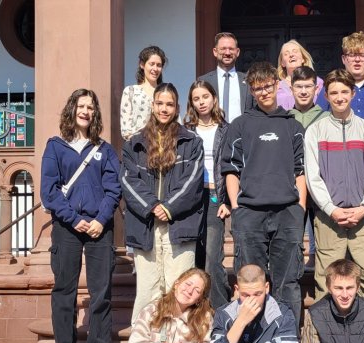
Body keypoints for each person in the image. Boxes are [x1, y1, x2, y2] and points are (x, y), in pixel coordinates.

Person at [220, 61, 307, 324]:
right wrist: (237, 207)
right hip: (250, 214)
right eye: (257, 88)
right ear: (252, 91)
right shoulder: (240, 125)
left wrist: (299, 208)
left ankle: (288, 337)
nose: (263, 92)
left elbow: (300, 170)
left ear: (277, 84)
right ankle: (251, 335)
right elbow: (231, 169)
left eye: (267, 86)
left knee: (287, 280)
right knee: (249, 279)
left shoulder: (293, 126)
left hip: (287, 212)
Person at [40, 89, 121, 343]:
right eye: (81, 106)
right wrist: (73, 218)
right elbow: (49, 191)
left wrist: (101, 219)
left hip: (100, 227)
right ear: (72, 109)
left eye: (90, 107)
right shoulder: (55, 146)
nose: (85, 111)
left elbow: (113, 189)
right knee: (65, 288)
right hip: (67, 226)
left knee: (101, 289)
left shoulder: (105, 149)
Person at [121, 83, 205, 324]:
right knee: (148, 289)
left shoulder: (191, 142)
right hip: (145, 225)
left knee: (179, 288)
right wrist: (152, 207)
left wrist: (168, 207)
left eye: (169, 104)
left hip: (180, 225)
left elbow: (193, 181)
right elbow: (128, 180)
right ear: (153, 105)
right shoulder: (134, 144)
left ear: (176, 107)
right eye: (160, 103)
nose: (164, 109)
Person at [304, 68, 364, 308]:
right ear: (326, 96)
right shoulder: (315, 131)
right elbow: (313, 177)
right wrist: (331, 209)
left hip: (363, 218)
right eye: (333, 92)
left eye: (344, 91)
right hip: (329, 219)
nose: (339, 97)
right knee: (326, 281)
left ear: (352, 93)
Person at [184, 80, 231, 310]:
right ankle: (193, 311)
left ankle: (218, 312)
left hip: (215, 196)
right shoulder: (186, 130)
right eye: (196, 98)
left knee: (213, 258)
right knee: (193, 257)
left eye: (205, 97)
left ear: (213, 98)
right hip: (190, 199)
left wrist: (228, 200)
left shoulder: (227, 129)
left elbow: (234, 167)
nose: (201, 102)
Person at [287, 65, 328, 272]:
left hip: (321, 181)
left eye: (308, 86)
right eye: (299, 86)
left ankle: (315, 258)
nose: (303, 91)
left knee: (320, 229)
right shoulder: (284, 118)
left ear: (316, 89)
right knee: (293, 228)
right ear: (291, 88)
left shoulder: (326, 118)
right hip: (291, 183)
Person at [316, 31, 364, 129]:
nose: (357, 59)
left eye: (362, 55)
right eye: (352, 55)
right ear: (344, 59)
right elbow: (318, 122)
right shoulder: (331, 87)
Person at [199, 32, 253, 122]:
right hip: (213, 133)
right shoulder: (204, 81)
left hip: (242, 134)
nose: (227, 53)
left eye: (231, 49)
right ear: (215, 52)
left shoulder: (249, 80)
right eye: (223, 49)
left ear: (237, 52)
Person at [121, 46, 167, 141]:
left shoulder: (166, 92)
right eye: (151, 64)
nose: (155, 68)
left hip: (164, 147)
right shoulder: (130, 91)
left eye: (159, 65)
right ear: (142, 64)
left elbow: (175, 123)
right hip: (137, 148)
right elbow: (126, 130)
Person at [275, 39, 324, 111]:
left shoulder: (318, 82)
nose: (291, 55)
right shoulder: (277, 87)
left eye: (295, 51)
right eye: (286, 54)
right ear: (282, 63)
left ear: (303, 59)